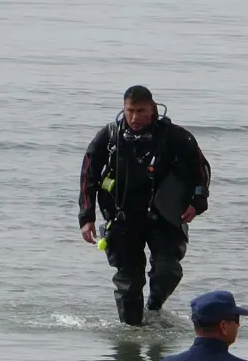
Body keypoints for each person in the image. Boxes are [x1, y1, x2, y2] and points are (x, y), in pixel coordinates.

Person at [78, 85, 212, 326]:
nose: (134, 117)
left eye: (140, 110)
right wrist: (86, 217)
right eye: (129, 110)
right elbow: (88, 174)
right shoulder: (109, 136)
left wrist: (197, 202)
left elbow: (200, 170)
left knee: (167, 272)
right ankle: (131, 331)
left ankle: (154, 307)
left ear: (153, 108)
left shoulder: (175, 136)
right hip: (122, 217)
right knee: (128, 283)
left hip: (164, 216)